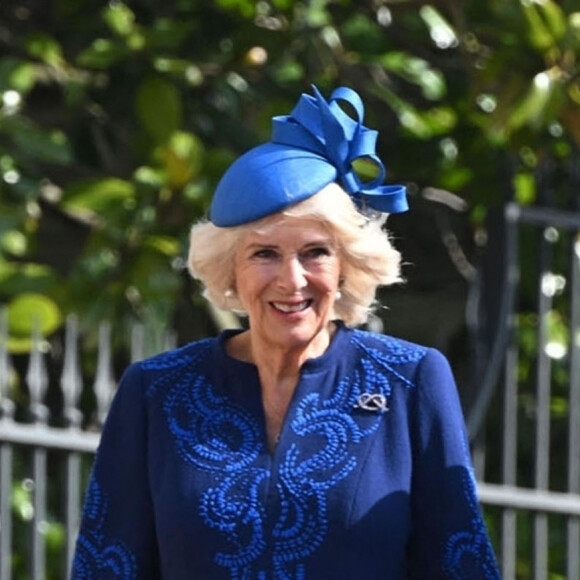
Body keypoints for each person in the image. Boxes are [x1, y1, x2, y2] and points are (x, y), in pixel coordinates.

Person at [71, 86, 501, 579]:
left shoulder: (409, 381)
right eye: (264, 254)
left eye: (315, 252)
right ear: (230, 269)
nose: (292, 280)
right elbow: (105, 567)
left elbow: (462, 564)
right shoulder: (155, 392)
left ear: (346, 265)